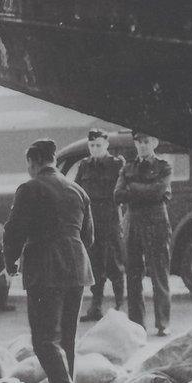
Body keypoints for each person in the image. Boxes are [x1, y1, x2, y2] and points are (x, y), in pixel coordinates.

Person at [3, 139, 94, 383]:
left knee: (44, 342)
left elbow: (13, 230)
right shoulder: (78, 190)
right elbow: (89, 237)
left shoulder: (29, 188)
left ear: (32, 161)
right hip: (77, 268)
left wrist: (10, 264)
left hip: (46, 269)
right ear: (53, 160)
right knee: (66, 340)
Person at [115, 132, 172, 336]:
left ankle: (163, 323)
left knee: (159, 273)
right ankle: (137, 325)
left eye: (146, 141)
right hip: (133, 223)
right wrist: (145, 191)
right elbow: (117, 194)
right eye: (138, 142)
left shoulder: (164, 166)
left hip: (156, 222)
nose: (142, 146)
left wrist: (133, 189)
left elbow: (158, 191)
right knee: (133, 274)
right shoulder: (127, 168)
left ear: (154, 142)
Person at [75, 128, 126, 322]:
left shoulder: (117, 164)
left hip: (110, 220)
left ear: (106, 145)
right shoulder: (84, 165)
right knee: (95, 265)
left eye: (98, 145)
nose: (94, 149)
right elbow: (77, 189)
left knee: (115, 264)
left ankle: (120, 306)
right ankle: (95, 308)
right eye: (91, 145)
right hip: (91, 222)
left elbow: (121, 191)